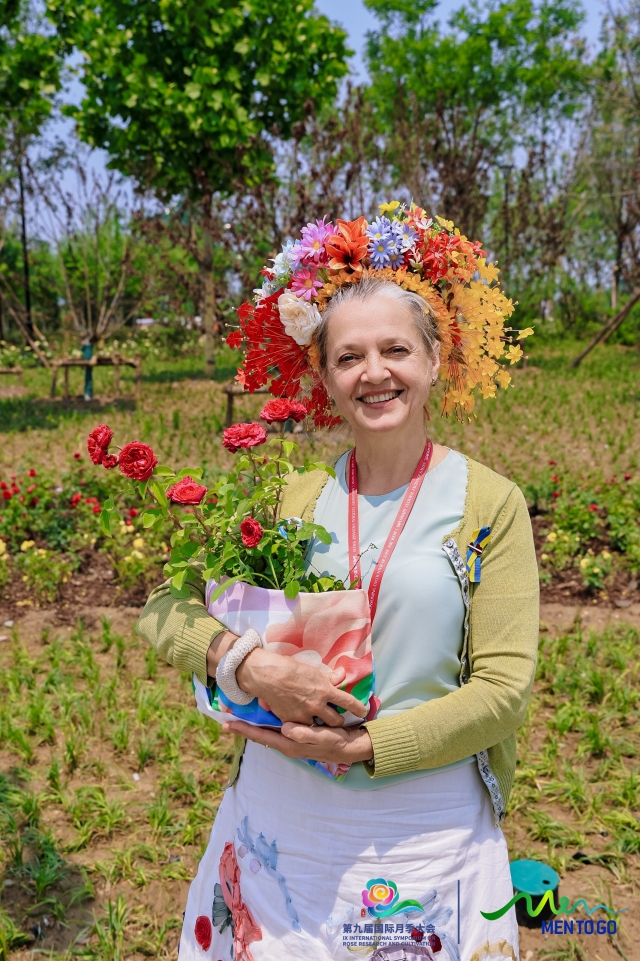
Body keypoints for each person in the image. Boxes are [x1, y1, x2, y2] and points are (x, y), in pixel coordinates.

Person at [138, 213, 539, 961]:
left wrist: (367, 744)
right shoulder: (289, 497)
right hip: (281, 830)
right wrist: (243, 662)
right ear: (323, 376)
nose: (374, 372)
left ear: (435, 358)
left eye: (395, 349)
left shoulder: (489, 503)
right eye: (349, 356)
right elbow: (162, 608)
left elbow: (505, 688)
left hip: (427, 833)